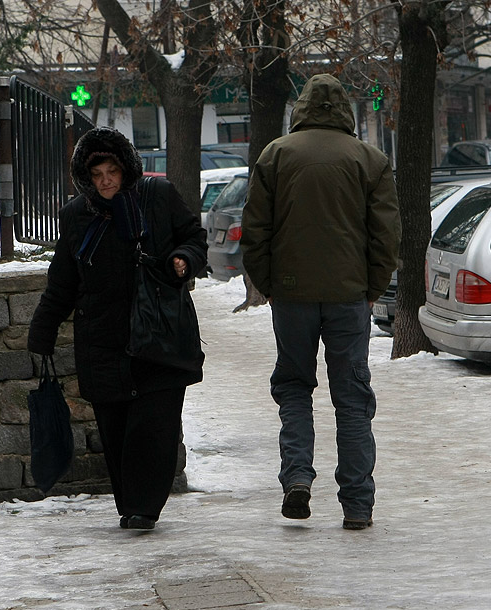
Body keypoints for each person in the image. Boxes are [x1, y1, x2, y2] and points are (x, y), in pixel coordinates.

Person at [240, 74, 401, 530]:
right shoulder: (370, 160)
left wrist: (271, 284)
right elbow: (386, 236)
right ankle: (357, 504)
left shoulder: (277, 154)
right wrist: (371, 289)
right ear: (345, 111)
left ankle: (297, 478)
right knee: (351, 398)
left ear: (302, 108)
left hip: (291, 294)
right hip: (350, 296)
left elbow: (255, 231)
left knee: (293, 387)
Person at [27, 127, 207, 531]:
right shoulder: (77, 216)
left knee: (154, 427)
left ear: (126, 170)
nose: (107, 181)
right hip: (104, 340)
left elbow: (194, 237)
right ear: (86, 179)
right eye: (98, 175)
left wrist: (183, 259)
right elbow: (63, 281)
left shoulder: (156, 198)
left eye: (113, 172)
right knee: (117, 430)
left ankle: (144, 508)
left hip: (158, 333)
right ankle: (130, 506)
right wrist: (43, 331)